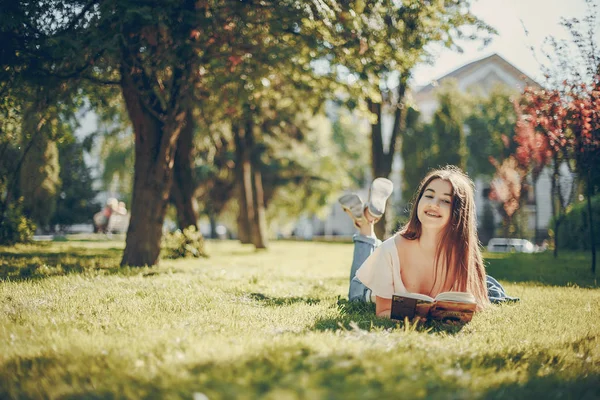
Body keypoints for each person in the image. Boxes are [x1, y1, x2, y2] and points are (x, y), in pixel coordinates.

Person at [340, 166, 516, 319]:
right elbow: (384, 311)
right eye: (429, 195)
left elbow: (470, 307)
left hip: (395, 261)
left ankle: (367, 218)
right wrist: (421, 316)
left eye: (445, 200)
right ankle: (366, 224)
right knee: (356, 292)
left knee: (491, 290)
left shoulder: (464, 253)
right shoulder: (392, 249)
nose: (434, 204)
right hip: (375, 285)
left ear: (459, 212)